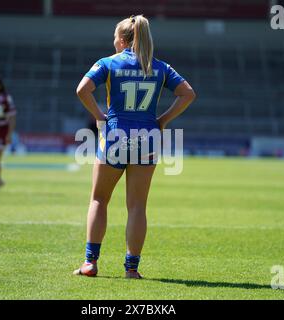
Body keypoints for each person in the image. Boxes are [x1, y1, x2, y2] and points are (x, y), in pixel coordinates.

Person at [74, 15, 196, 278]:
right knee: (138, 207)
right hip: (148, 136)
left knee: (99, 199)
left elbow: (82, 89)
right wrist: (162, 120)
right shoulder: (160, 67)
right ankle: (132, 269)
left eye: (114, 39)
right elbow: (188, 93)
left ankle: (90, 263)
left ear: (121, 40)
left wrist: (99, 116)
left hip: (116, 134)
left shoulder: (107, 62)